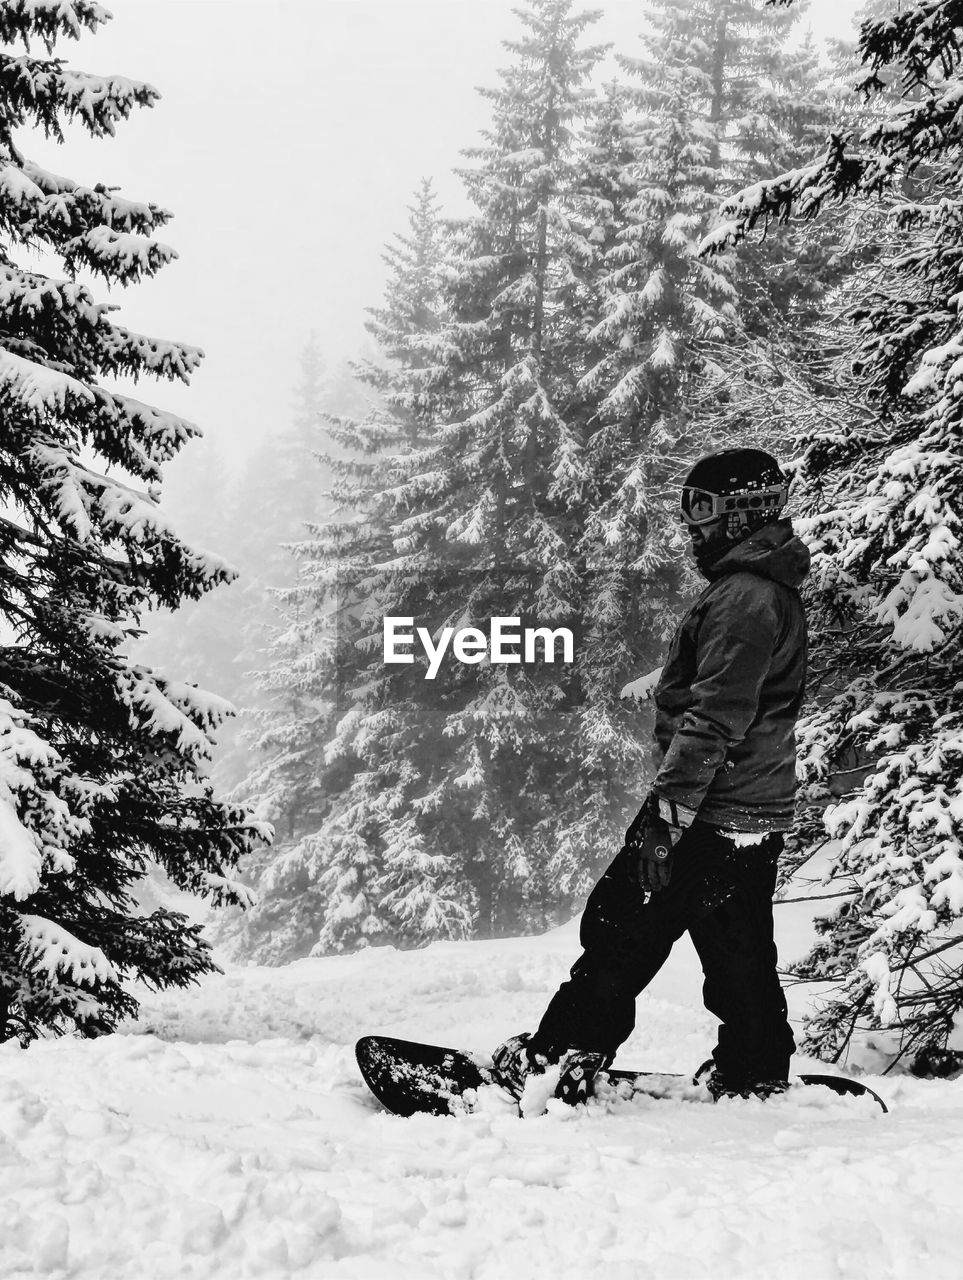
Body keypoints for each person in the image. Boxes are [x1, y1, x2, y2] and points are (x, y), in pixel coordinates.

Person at [492, 447, 810, 1106]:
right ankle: (754, 1068)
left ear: (742, 512)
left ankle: (558, 1059)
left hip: (705, 810)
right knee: (736, 949)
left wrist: (665, 821)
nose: (691, 530)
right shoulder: (761, 589)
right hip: (748, 812)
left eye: (702, 514)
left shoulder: (743, 599)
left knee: (621, 929)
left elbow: (716, 717)